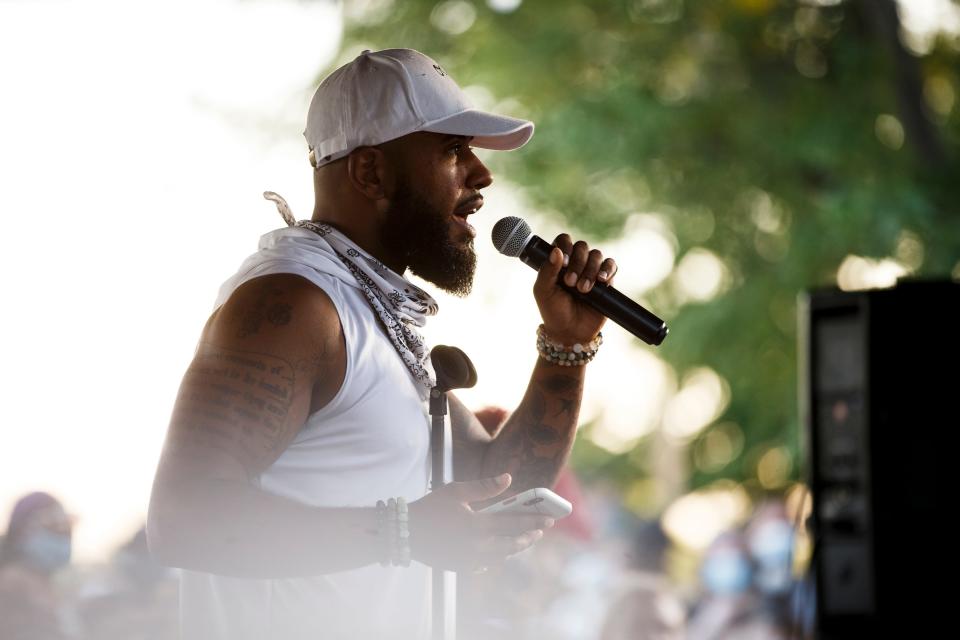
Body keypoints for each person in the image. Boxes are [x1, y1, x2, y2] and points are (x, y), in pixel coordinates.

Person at [147, 48, 620, 639]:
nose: (481, 176)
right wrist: (402, 532)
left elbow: (505, 482)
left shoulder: (374, 314)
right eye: (453, 151)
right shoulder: (295, 307)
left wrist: (563, 348)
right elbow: (183, 520)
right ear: (371, 172)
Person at [0, 491, 82, 640]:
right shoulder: (8, 588)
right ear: (22, 532)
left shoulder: (52, 587)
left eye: (66, 529)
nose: (62, 538)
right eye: (53, 528)